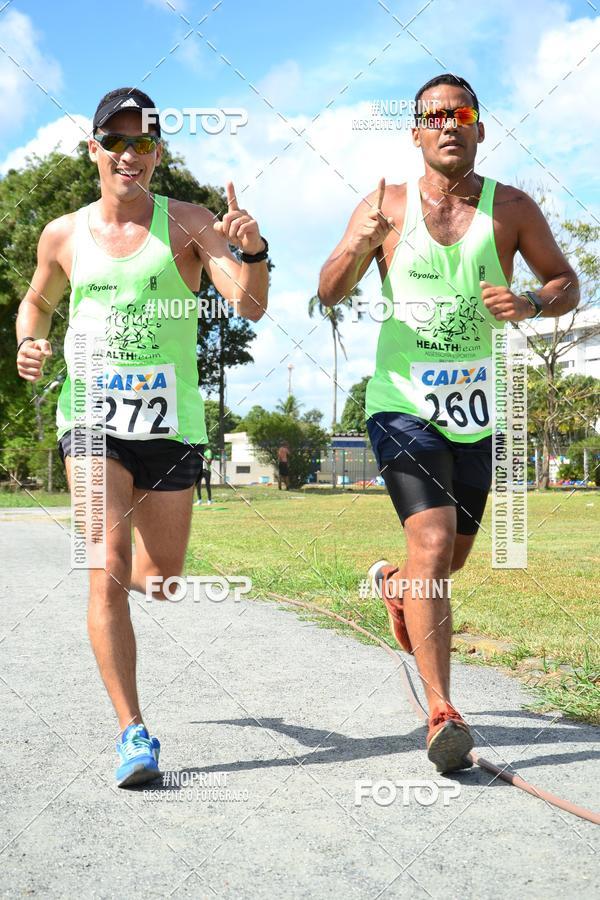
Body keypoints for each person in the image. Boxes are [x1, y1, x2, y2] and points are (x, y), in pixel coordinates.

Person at [318, 74, 578, 773]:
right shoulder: (386, 208)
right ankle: (442, 711)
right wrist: (358, 244)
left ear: (479, 128)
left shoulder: (512, 209)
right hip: (402, 405)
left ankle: (394, 587)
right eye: (434, 115)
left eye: (461, 113)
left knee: (449, 560)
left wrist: (529, 300)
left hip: (480, 411)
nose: (448, 124)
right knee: (431, 543)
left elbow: (567, 283)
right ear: (416, 133)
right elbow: (327, 291)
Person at [15, 86, 269, 787]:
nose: (130, 154)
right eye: (116, 141)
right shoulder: (63, 234)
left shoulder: (188, 223)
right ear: (93, 148)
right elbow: (36, 302)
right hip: (90, 417)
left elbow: (247, 303)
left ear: (158, 152)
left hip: (170, 426)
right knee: (107, 564)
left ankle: (143, 610)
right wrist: (29, 346)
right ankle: (133, 732)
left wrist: (253, 248)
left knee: (161, 580)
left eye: (144, 142)